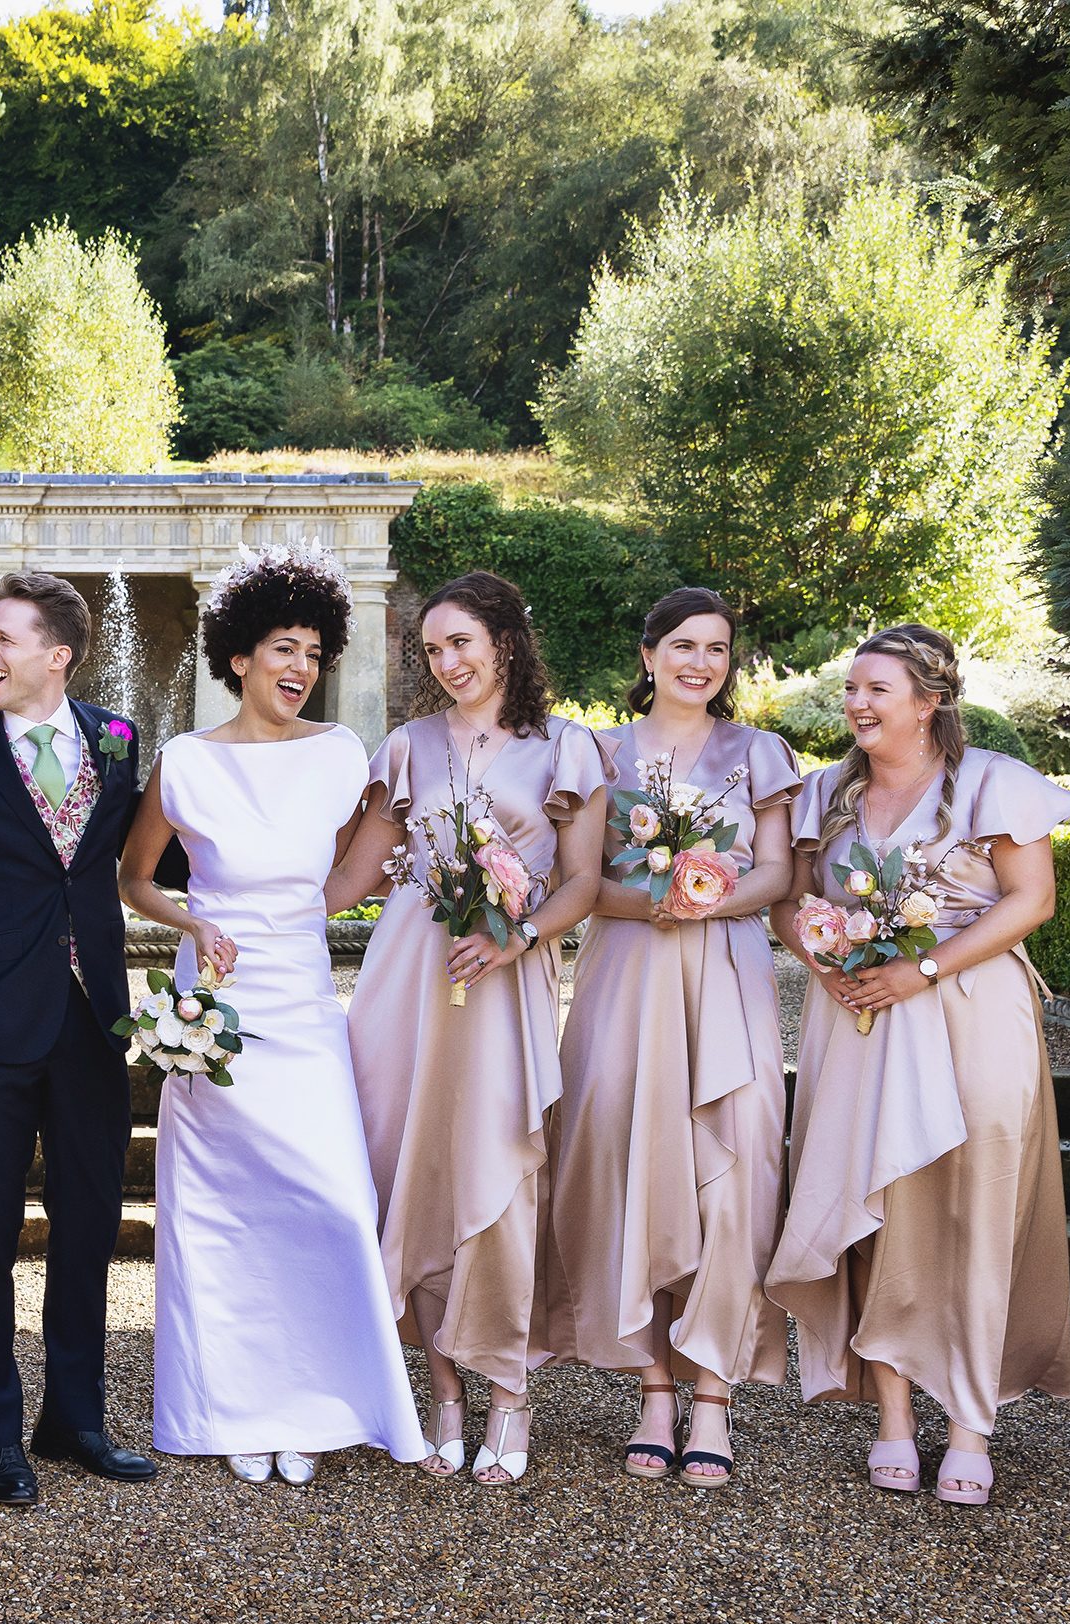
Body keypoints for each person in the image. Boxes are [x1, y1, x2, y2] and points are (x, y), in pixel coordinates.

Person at [120, 551, 426, 1484]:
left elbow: (349, 871)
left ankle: (320, 1403)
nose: (301, 666)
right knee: (221, 1216)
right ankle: (231, 1409)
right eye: (283, 647)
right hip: (213, 1013)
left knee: (332, 1200)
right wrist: (194, 917)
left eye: (315, 651)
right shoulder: (186, 763)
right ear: (240, 657)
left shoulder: (340, 756)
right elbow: (133, 878)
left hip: (300, 1002)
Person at [767, 623, 1070, 1507]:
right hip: (859, 1018)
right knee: (877, 1201)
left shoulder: (993, 783)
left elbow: (1033, 898)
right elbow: (791, 900)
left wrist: (925, 967)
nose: (856, 705)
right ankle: (894, 1419)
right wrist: (822, 959)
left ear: (930, 701)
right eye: (852, 690)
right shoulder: (824, 792)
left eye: (876, 690)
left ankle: (973, 1423)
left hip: (972, 1011)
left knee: (978, 1196)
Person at [327, 571, 605, 1487]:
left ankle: (510, 1390)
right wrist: (224, 905)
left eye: (463, 644)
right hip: (407, 975)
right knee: (406, 1161)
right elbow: (351, 882)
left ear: (507, 644)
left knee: (497, 1168)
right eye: (434, 649)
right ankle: (442, 1389)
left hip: (504, 977)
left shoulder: (567, 748)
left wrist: (518, 937)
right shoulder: (405, 747)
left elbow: (583, 883)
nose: (448, 662)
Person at [0, 570, 156, 1507]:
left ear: (59, 653)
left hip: (93, 1023)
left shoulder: (118, 741)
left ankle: (76, 1419)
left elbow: (133, 864)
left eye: (5, 639)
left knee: (89, 1225)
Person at [541, 589, 801, 1486]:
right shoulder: (598, 751)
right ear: (647, 653)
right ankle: (653, 1383)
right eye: (684, 645)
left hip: (726, 968)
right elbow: (577, 879)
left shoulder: (760, 752)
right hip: (628, 969)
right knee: (621, 1157)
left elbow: (776, 873)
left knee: (735, 1166)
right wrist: (652, 898)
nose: (701, 662)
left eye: (718, 649)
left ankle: (717, 1393)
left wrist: (706, 898)